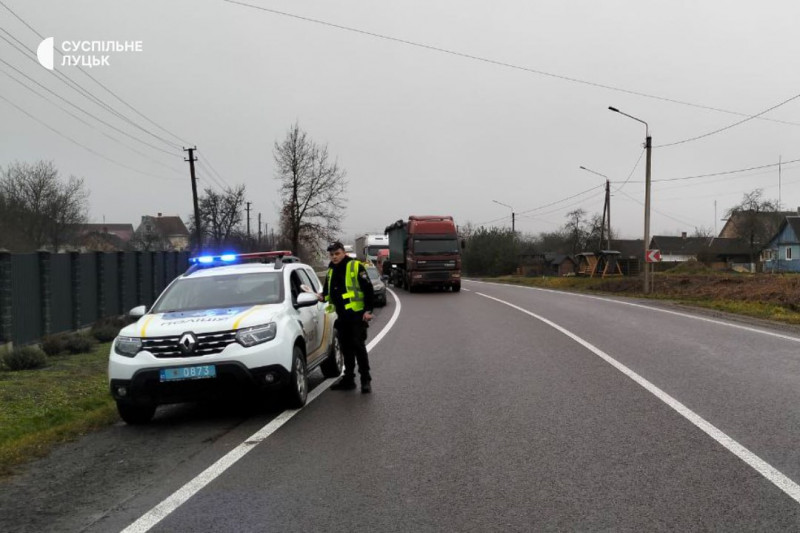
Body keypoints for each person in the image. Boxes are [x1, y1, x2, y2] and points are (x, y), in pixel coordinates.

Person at [320, 241, 376, 393]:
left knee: (358, 347)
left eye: (337, 253)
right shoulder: (331, 270)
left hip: (357, 316)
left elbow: (368, 289)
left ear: (343, 252)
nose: (334, 257)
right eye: (332, 255)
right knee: (346, 349)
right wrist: (321, 297)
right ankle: (349, 379)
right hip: (342, 317)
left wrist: (368, 310)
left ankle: (365, 379)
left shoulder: (355, 266)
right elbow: (327, 292)